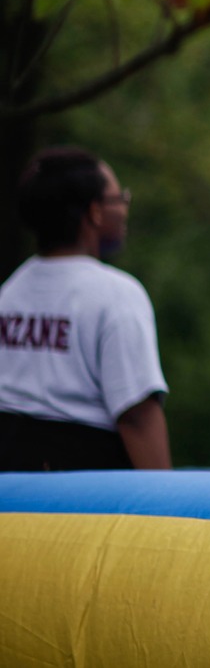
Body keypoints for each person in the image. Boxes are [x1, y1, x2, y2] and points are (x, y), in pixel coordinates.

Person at [0, 147, 171, 471]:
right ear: (94, 212)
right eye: (118, 198)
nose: (124, 207)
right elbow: (137, 416)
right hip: (84, 483)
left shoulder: (10, 291)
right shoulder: (117, 294)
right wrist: (169, 510)